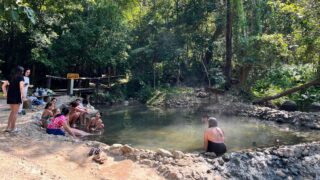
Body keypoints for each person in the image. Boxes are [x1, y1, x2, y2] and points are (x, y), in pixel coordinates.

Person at [1, 66, 25, 132]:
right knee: (15, 113)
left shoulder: (10, 77)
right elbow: (21, 87)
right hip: (16, 96)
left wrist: (6, 94)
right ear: (20, 71)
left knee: (12, 112)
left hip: (10, 96)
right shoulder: (21, 77)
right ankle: (13, 128)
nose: (23, 72)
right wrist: (23, 96)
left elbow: (3, 86)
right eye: (22, 71)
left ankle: (8, 127)